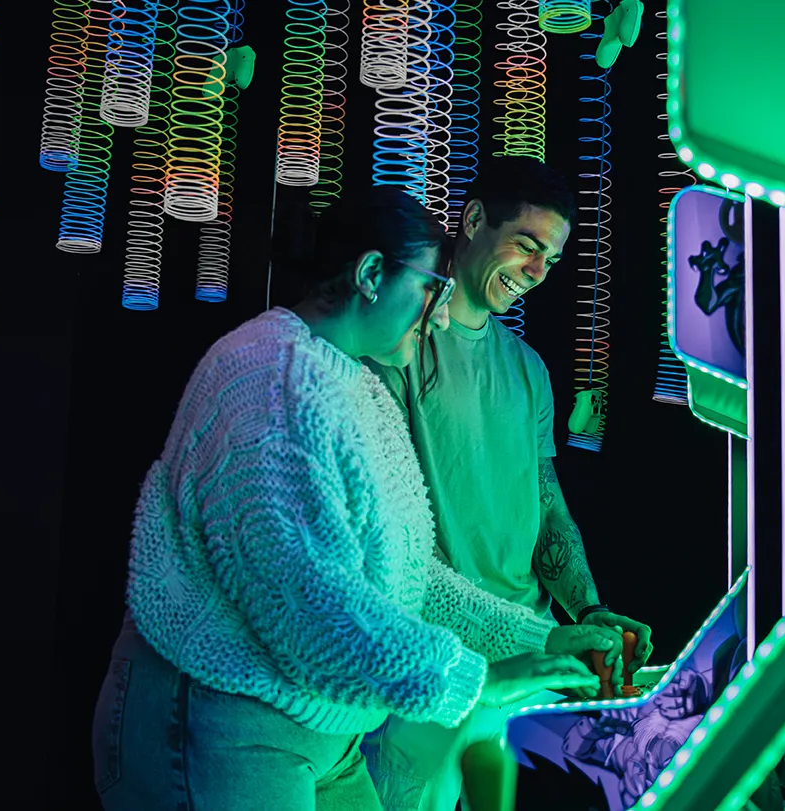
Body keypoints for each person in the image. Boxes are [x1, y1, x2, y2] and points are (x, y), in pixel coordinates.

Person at [89, 187, 622, 811]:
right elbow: (313, 607)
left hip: (322, 725)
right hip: (220, 718)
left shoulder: (355, 383)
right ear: (371, 275)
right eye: (431, 289)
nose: (441, 315)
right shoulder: (271, 379)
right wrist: (475, 681)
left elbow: (409, 574)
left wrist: (536, 636)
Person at [363, 157, 656, 811]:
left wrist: (587, 610)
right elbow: (389, 540)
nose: (537, 272)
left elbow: (548, 505)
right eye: (527, 244)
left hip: (531, 659)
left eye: (550, 258)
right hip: (439, 667)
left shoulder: (528, 369)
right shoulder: (401, 341)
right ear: (471, 220)